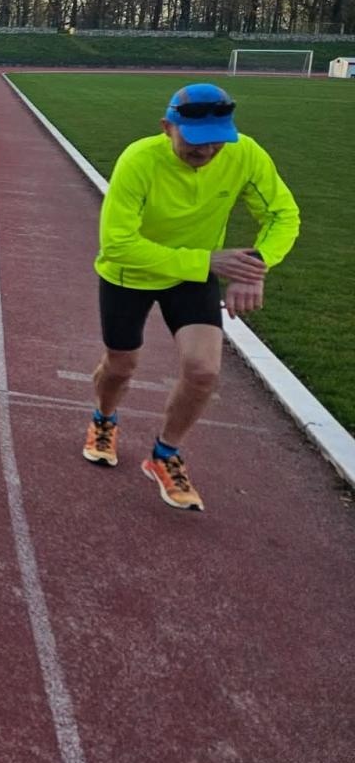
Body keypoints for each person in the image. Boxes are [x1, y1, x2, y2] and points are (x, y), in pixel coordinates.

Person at [82, 83, 299, 512]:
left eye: (217, 140)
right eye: (196, 140)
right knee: (121, 366)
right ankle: (104, 418)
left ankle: (165, 454)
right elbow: (117, 244)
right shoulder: (139, 160)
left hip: (194, 275)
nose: (208, 150)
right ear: (167, 128)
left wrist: (256, 265)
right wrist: (207, 262)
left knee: (203, 371)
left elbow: (283, 215)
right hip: (131, 273)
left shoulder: (245, 154)